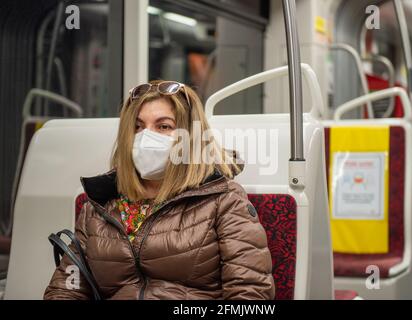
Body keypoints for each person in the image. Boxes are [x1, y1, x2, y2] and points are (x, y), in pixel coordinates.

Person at [44, 80, 275, 300]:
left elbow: (250, 294)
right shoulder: (99, 205)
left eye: (164, 126)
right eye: (138, 126)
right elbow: (67, 287)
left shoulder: (224, 199)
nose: (147, 137)